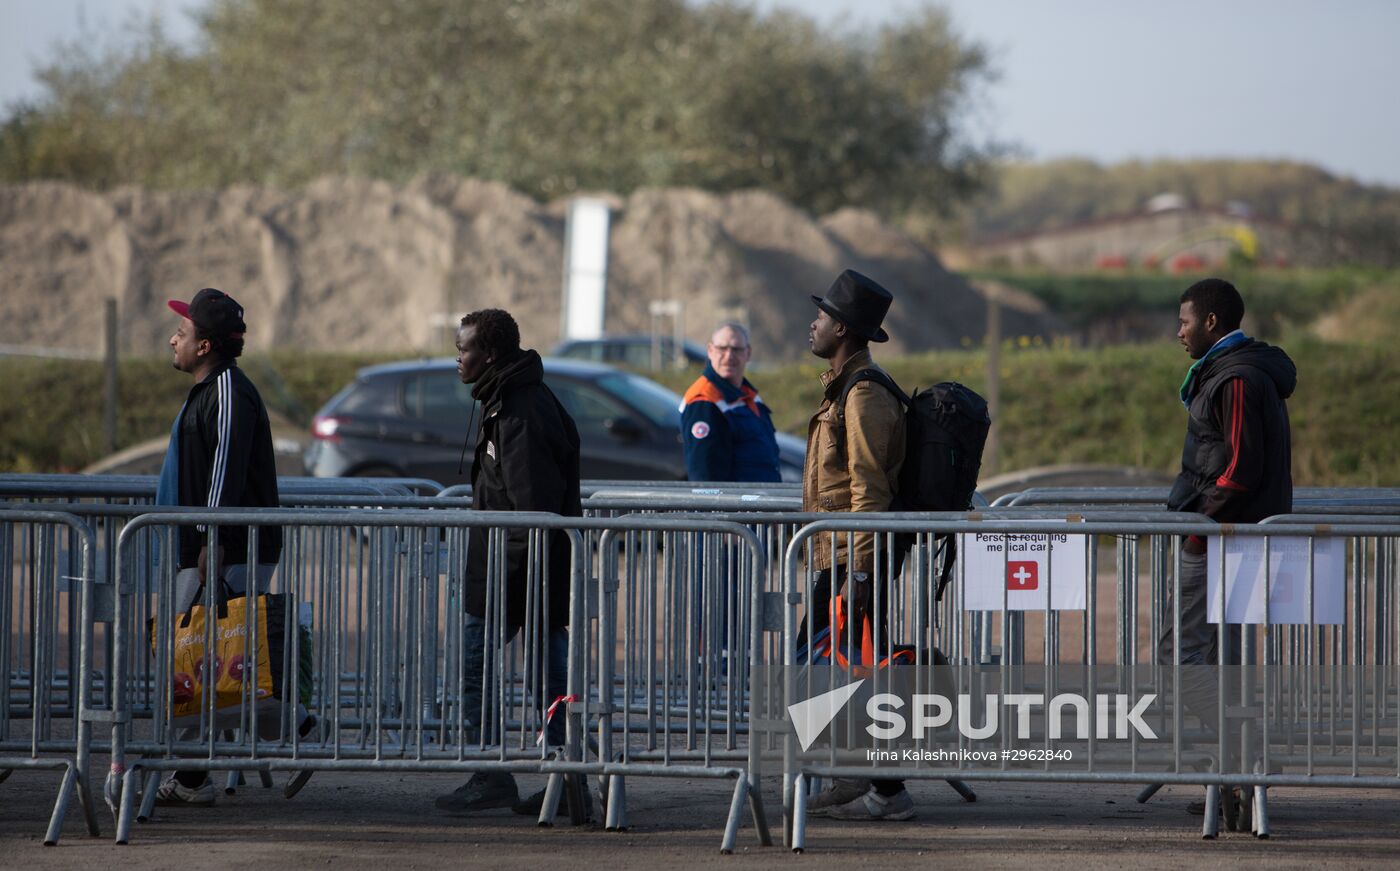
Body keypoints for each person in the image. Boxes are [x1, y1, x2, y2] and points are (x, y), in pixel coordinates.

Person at [434, 308, 583, 818]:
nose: (458, 357)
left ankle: (504, 776)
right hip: (519, 573)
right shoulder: (509, 399)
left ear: (490, 354)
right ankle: (562, 777)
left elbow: (532, 510)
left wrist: (503, 584)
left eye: (465, 348)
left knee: (488, 668)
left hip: (518, 574)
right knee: (547, 676)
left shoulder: (520, 411)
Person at [1159, 278, 1295, 814]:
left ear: (1211, 323)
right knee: (1217, 660)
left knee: (1178, 654)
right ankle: (1233, 786)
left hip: (1220, 540)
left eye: (1184, 321)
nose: (1179, 332)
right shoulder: (1234, 371)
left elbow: (1238, 470)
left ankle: (1247, 757)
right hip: (1226, 538)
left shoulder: (1236, 378)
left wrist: (1197, 530)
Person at [154, 287, 287, 807]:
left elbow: (226, 470)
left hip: (229, 548)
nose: (173, 340)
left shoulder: (230, 389)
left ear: (205, 346)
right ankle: (193, 775)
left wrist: (212, 538)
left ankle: (291, 727)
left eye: (182, 334)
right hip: (205, 547)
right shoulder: (207, 390)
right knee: (204, 659)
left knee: (209, 658)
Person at [799, 270, 914, 822]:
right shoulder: (846, 387)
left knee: (828, 668)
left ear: (841, 328)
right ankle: (877, 785)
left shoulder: (865, 395)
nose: (813, 324)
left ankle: (878, 785)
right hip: (839, 555)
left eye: (821, 317)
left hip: (854, 558)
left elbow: (870, 489)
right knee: (838, 669)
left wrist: (861, 575)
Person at [680, 322, 782, 483]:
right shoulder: (704, 400)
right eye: (722, 348)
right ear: (710, 351)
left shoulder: (748, 395)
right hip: (735, 506)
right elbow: (704, 477)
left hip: (760, 502)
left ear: (748, 353)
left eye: (736, 349)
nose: (729, 356)